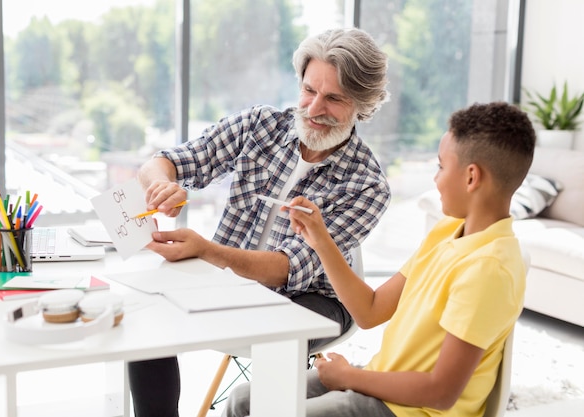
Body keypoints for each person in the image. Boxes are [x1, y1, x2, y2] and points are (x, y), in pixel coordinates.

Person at [129, 27, 392, 417]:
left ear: (363, 106)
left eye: (334, 98)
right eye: (309, 90)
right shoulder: (261, 126)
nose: (314, 108)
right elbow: (162, 163)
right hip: (227, 280)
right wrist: (162, 186)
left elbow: (288, 269)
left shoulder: (367, 185)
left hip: (314, 298)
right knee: (146, 314)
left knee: (282, 332)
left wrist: (207, 250)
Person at [222, 101, 536, 417]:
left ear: (471, 178)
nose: (435, 179)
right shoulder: (449, 231)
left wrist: (348, 377)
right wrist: (320, 239)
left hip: (412, 411)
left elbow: (440, 393)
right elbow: (370, 311)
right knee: (244, 400)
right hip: (384, 384)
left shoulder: (488, 270)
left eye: (441, 166)